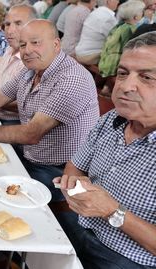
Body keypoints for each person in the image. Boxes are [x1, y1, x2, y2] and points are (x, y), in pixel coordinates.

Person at [0, 20, 99, 202]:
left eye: (35, 43)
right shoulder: (30, 72)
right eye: (23, 45)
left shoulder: (72, 78)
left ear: (56, 44)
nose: (26, 51)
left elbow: (31, 134)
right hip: (31, 156)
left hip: (60, 172)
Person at [53, 32, 156, 269]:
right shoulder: (112, 119)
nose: (126, 86)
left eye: (147, 76)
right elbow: (75, 166)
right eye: (122, 73)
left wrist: (112, 211)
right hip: (80, 225)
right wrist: (74, 188)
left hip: (126, 258)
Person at [98, 1, 145, 83]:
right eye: (142, 12)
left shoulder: (120, 25)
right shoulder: (128, 29)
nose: (143, 14)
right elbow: (127, 50)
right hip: (113, 65)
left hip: (106, 61)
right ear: (136, 17)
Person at [74, 0, 119, 65]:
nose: (118, 2)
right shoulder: (108, 17)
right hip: (89, 56)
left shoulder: (95, 12)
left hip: (80, 52)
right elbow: (116, 40)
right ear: (108, 1)